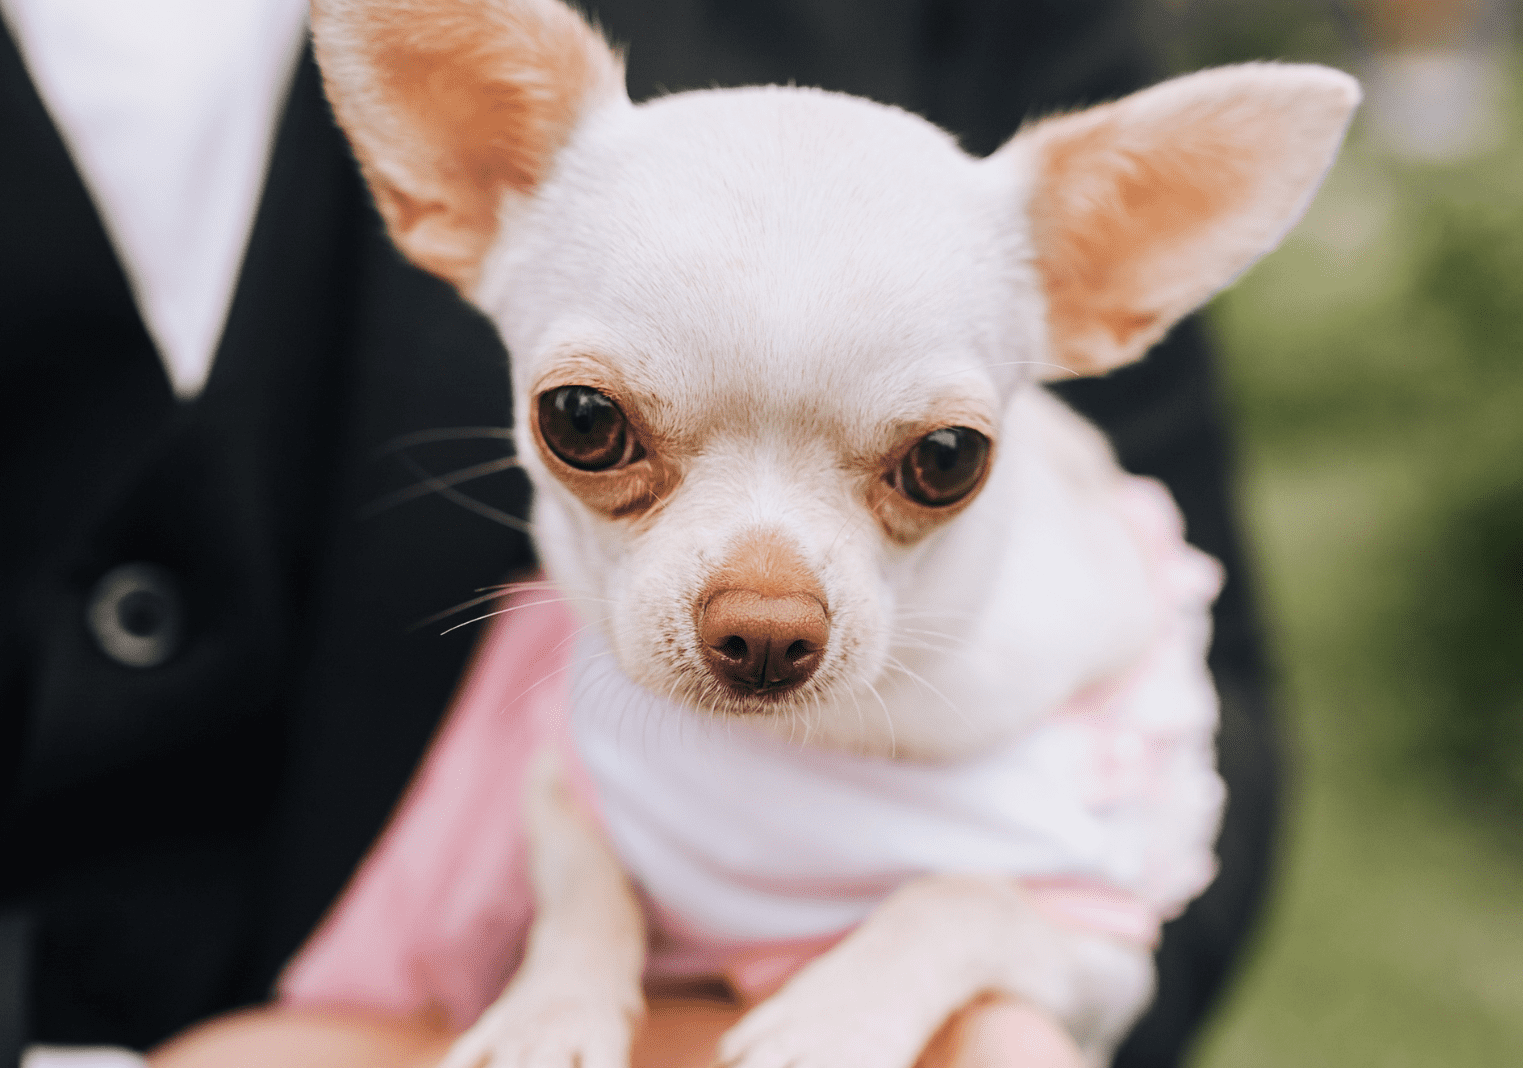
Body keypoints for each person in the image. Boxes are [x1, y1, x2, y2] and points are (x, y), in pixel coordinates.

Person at [0, 2, 1280, 1066]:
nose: (766, 610)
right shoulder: (515, 155)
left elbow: (1216, 756)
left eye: (926, 464)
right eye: (601, 433)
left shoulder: (1089, 621)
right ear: (464, 183)